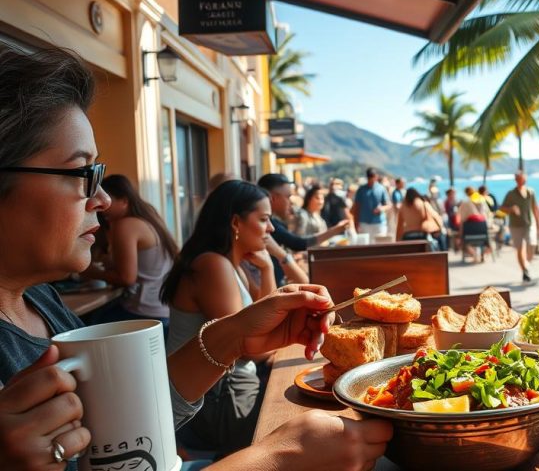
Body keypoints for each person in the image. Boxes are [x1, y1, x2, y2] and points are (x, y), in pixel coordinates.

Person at [0, 46, 391, 471]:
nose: (104, 199)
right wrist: (277, 459)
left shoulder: (38, 300)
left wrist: (234, 336)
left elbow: (126, 436)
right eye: (82, 173)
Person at [161, 180, 279, 456]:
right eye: (264, 220)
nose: (271, 229)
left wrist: (268, 269)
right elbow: (247, 347)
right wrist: (274, 344)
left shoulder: (230, 265)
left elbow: (266, 320)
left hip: (227, 390)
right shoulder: (212, 265)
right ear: (236, 222)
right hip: (214, 401)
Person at [80, 174, 178, 331]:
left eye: (108, 199)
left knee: (85, 324)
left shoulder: (125, 225)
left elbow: (126, 279)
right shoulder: (150, 217)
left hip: (144, 313)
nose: (101, 205)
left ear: (124, 201)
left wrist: (90, 271)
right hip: (164, 313)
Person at [258, 173, 347, 285]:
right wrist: (334, 230)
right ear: (272, 197)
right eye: (288, 196)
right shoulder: (274, 226)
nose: (290, 202)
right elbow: (299, 243)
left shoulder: (276, 223)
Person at [501, 172, 539, 282]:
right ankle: (525, 271)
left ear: (525, 179)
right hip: (515, 226)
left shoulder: (530, 192)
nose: (521, 181)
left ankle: (526, 264)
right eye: (518, 179)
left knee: (532, 244)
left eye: (522, 179)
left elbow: (535, 209)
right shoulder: (510, 194)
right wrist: (511, 209)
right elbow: (502, 208)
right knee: (519, 249)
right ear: (516, 180)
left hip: (529, 224)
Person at [351, 168, 390, 238]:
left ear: (376, 177)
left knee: (379, 245)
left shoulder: (381, 188)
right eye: (370, 178)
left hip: (379, 223)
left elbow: (388, 205)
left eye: (373, 177)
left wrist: (381, 208)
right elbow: (356, 207)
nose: (371, 180)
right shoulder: (361, 190)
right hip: (364, 223)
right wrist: (356, 224)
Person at [458, 186, 491, 263]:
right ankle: (481, 255)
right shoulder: (482, 201)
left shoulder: (465, 203)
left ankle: (475, 255)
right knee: (484, 239)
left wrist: (460, 234)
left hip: (470, 231)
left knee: (464, 240)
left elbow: (462, 220)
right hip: (483, 229)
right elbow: (487, 216)